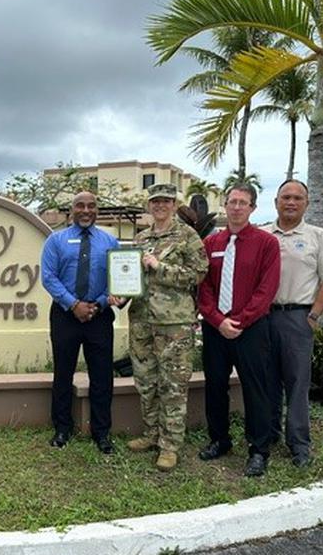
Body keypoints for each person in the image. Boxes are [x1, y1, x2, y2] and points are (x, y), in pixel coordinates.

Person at [197, 183, 280, 477]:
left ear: (253, 208)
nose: (236, 207)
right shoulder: (211, 244)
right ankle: (219, 440)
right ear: (224, 205)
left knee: (255, 388)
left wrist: (240, 321)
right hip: (216, 328)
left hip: (252, 329)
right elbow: (203, 287)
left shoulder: (266, 243)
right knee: (215, 385)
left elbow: (266, 289)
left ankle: (259, 449)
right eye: (231, 201)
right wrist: (217, 320)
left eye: (242, 202)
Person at [125, 183, 208, 471]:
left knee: (172, 385)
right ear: (149, 206)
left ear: (174, 205)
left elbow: (199, 274)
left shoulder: (187, 236)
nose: (160, 206)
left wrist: (160, 267)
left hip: (174, 324)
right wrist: (119, 293)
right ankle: (151, 434)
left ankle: (170, 445)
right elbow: (131, 276)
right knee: (146, 382)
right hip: (142, 321)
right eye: (155, 201)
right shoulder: (141, 238)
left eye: (166, 201)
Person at [264, 180, 323, 468]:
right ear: (276, 202)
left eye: (298, 198)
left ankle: (299, 443)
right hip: (263, 318)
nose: (291, 202)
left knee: (298, 383)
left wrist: (314, 314)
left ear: (306, 204)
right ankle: (269, 434)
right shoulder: (263, 235)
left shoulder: (318, 237)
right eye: (286, 197)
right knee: (267, 380)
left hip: (298, 317)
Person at [40, 191, 121, 454]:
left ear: (97, 210)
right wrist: (74, 305)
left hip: (99, 316)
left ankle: (102, 433)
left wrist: (97, 304)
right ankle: (62, 428)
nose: (86, 210)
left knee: (102, 376)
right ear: (71, 210)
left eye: (91, 206)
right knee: (63, 372)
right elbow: (49, 277)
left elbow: (116, 278)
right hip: (65, 316)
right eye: (80, 206)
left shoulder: (110, 241)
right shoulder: (56, 241)